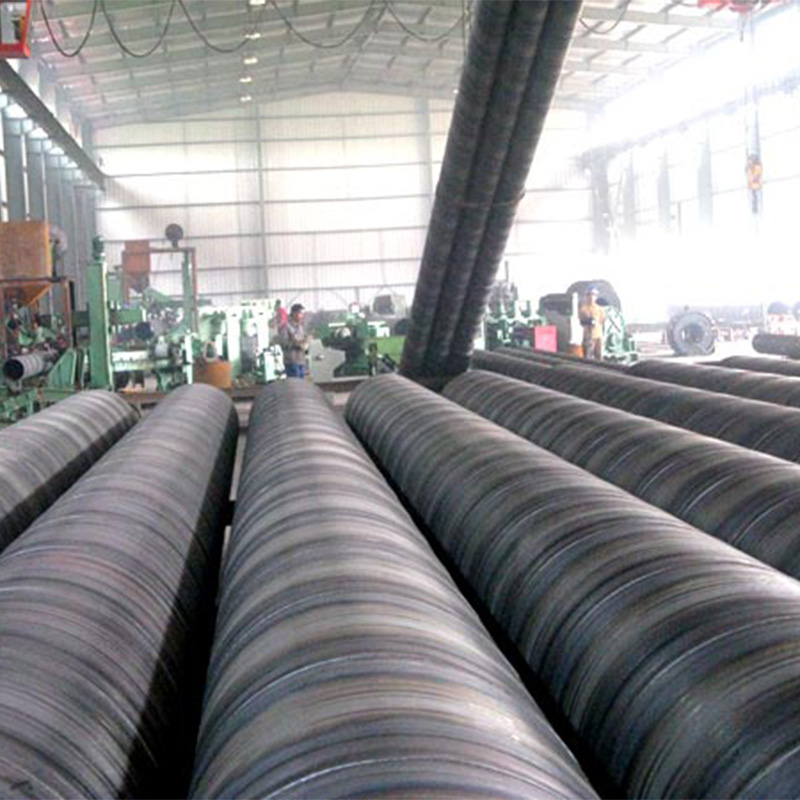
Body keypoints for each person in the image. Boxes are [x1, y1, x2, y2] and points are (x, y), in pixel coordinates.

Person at [280, 303, 308, 379]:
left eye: (302, 314)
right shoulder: (285, 327)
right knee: (295, 383)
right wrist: (297, 344)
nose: (302, 316)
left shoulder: (300, 327)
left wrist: (305, 343)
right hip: (291, 362)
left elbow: (304, 339)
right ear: (294, 314)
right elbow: (284, 344)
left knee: (301, 383)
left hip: (301, 361)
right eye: (300, 313)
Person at [579, 287, 605, 360]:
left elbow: (602, 320)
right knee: (588, 356)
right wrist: (588, 321)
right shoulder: (583, 309)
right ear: (586, 297)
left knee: (599, 355)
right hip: (588, 336)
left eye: (593, 295)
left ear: (596, 297)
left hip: (598, 336)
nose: (591, 297)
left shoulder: (600, 309)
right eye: (589, 295)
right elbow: (581, 321)